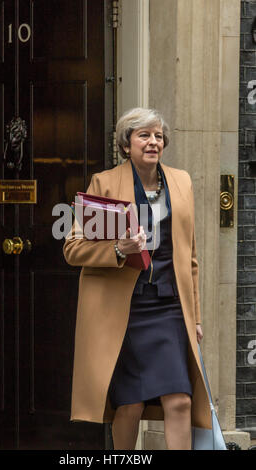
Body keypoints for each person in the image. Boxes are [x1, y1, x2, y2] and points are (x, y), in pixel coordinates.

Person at [63, 107, 211, 450]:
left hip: (170, 307)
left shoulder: (181, 181)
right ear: (126, 144)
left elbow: (190, 259)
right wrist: (118, 248)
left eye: (158, 136)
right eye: (144, 135)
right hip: (125, 311)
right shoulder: (105, 182)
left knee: (180, 401)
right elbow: (73, 249)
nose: (153, 142)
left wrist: (196, 318)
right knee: (130, 405)